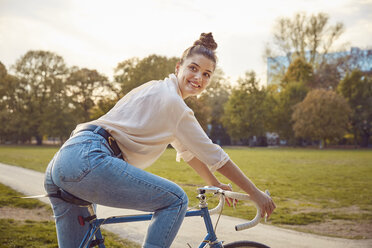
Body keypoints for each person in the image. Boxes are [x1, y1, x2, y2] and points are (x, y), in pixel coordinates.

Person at [44, 32, 276, 248]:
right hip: (89, 160)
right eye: (193, 68)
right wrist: (255, 193)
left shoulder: (158, 90)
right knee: (175, 200)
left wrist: (214, 182)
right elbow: (215, 156)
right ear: (178, 67)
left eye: (206, 74)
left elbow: (188, 152)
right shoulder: (174, 104)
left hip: (66, 160)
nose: (199, 78)